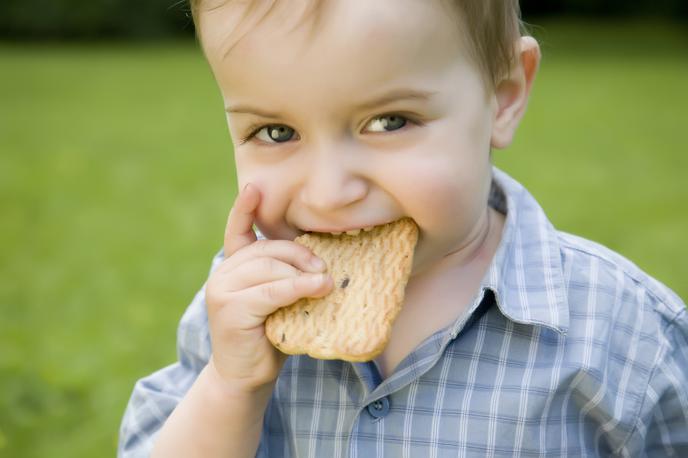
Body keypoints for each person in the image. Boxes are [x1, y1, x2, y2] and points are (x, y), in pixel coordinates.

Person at [118, 0, 688, 456]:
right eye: (274, 132)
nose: (329, 192)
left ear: (504, 96)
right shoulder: (242, 312)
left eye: (389, 122)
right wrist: (229, 388)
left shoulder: (625, 331)